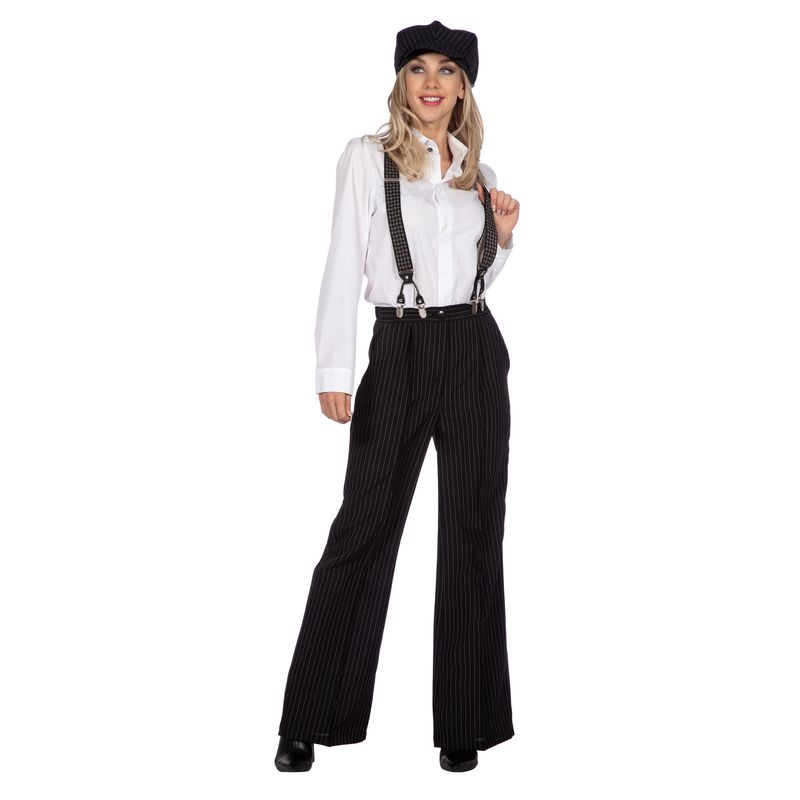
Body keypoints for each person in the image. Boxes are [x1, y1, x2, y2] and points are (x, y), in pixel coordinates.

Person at [275, 19, 520, 773]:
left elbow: (471, 279)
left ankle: (465, 723)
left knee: (474, 532)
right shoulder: (366, 158)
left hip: (474, 349)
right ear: (401, 81)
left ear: (464, 87)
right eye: (419, 69)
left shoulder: (476, 171)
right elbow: (344, 259)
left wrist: (503, 239)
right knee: (364, 527)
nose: (432, 83)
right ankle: (309, 718)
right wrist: (334, 367)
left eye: (447, 70)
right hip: (401, 350)